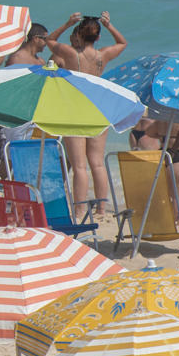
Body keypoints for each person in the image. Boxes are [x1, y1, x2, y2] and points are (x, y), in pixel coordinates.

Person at [46, 12, 128, 212]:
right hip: (99, 111)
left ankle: (80, 210)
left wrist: (68, 22)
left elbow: (49, 40)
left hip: (75, 111)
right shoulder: (103, 55)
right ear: (98, 37)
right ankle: (101, 209)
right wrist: (109, 25)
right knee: (97, 163)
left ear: (79, 36)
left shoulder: (70, 54)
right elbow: (122, 43)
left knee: (80, 166)